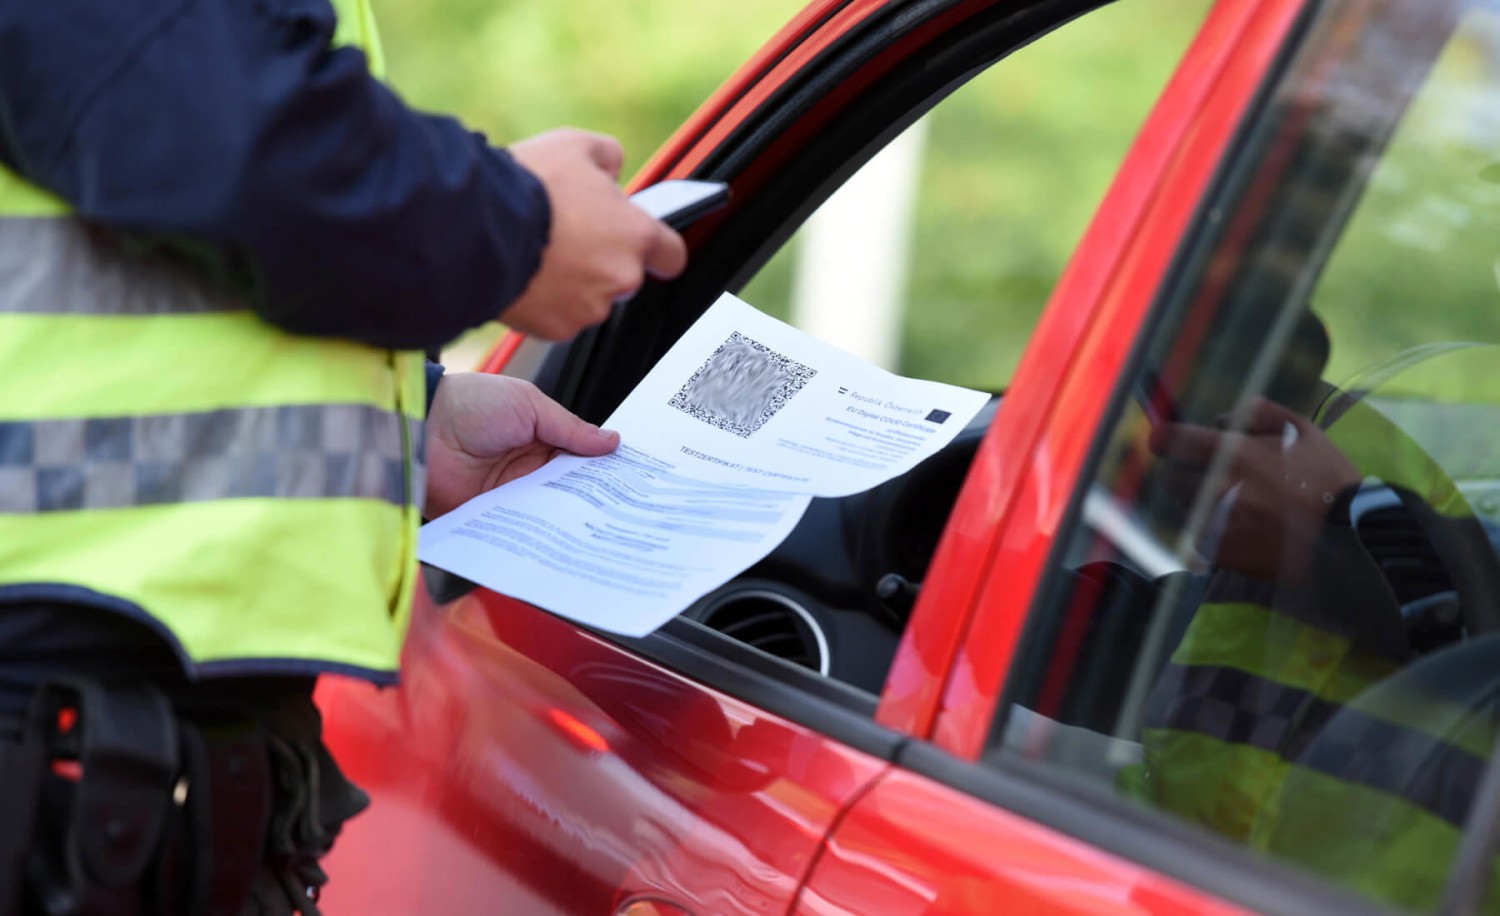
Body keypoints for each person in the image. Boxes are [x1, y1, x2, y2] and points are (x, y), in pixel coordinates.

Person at [0, 0, 687, 911]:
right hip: (58, 747)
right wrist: (519, 227)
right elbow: (234, 141)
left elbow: (150, 268)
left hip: (112, 753)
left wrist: (413, 424)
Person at [1137, 334, 1500, 910]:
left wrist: (1340, 521)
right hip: (1192, 877)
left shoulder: (1393, 431)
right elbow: (1205, 636)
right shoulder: (1402, 423)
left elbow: (1462, 625)